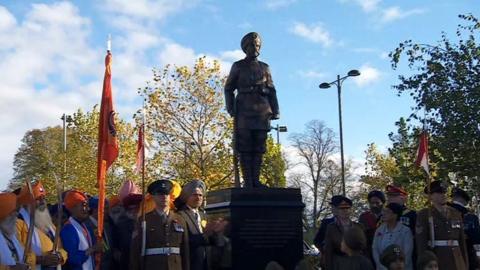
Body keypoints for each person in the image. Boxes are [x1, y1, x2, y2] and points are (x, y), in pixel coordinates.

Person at [224, 32, 280, 188]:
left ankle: (256, 179)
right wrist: (230, 108)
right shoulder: (238, 66)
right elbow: (228, 88)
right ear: (245, 48)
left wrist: (275, 110)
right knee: (245, 146)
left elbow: (272, 89)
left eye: (256, 45)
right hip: (244, 110)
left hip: (262, 110)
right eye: (251, 45)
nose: (254, 48)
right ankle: (248, 181)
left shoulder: (265, 67)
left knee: (259, 147)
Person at [130, 179, 189, 270]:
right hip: (153, 265)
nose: (164, 197)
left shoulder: (180, 219)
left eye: (167, 194)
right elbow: (136, 250)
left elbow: (185, 250)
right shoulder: (144, 220)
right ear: (153, 196)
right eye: (160, 194)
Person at [416, 180, 469, 270]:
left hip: (456, 260)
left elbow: (462, 242)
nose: (443, 195)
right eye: (439, 192)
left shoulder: (455, 213)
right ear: (430, 196)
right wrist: (424, 264)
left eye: (444, 192)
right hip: (437, 259)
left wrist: (465, 263)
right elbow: (421, 242)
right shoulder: (424, 214)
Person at [175, 180, 227, 270]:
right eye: (194, 195)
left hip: (206, 265)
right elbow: (183, 241)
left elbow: (213, 242)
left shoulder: (204, 216)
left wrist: (218, 232)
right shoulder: (180, 216)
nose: (198, 198)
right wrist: (205, 234)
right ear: (186, 196)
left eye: (200, 195)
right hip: (191, 265)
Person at [16, 181, 67, 270]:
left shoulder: (50, 225)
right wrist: (40, 259)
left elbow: (61, 249)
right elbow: (15, 256)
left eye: (43, 198)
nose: (42, 201)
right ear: (26, 204)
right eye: (38, 199)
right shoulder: (18, 223)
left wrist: (60, 256)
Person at [61, 190, 103, 270]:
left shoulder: (83, 226)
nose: (87, 209)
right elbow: (73, 260)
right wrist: (92, 249)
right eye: (84, 205)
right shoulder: (68, 229)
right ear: (72, 208)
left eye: (87, 205)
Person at [323, 195, 364, 270]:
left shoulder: (359, 227)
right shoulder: (332, 227)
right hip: (339, 263)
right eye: (341, 208)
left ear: (351, 210)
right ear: (337, 210)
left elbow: (364, 248)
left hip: (356, 263)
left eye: (347, 208)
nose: (345, 210)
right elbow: (328, 250)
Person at [372, 203, 413, 270]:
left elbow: (407, 253)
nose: (384, 214)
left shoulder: (406, 231)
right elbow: (375, 249)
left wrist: (398, 266)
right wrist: (381, 266)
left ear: (395, 215)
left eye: (387, 212)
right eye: (384, 211)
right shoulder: (379, 230)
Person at [448, 187, 480, 270]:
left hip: (445, 254)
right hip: (466, 255)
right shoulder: (470, 217)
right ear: (465, 201)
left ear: (453, 197)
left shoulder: (442, 212)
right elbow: (476, 241)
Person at [0, 192, 34, 269]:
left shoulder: (13, 236)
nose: (16, 215)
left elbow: (25, 257)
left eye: (16, 211)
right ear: (2, 214)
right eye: (12, 212)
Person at [112, 193, 143, 270]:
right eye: (130, 209)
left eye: (136, 208)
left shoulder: (146, 222)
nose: (133, 211)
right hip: (126, 261)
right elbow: (116, 241)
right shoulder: (121, 224)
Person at [84, 196, 113, 270]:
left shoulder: (107, 226)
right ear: (95, 210)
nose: (108, 211)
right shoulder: (85, 227)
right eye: (105, 209)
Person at [359, 190, 386, 261]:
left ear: (382, 203)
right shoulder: (364, 217)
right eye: (372, 203)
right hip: (369, 251)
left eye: (377, 203)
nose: (374, 205)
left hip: (386, 250)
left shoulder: (388, 215)